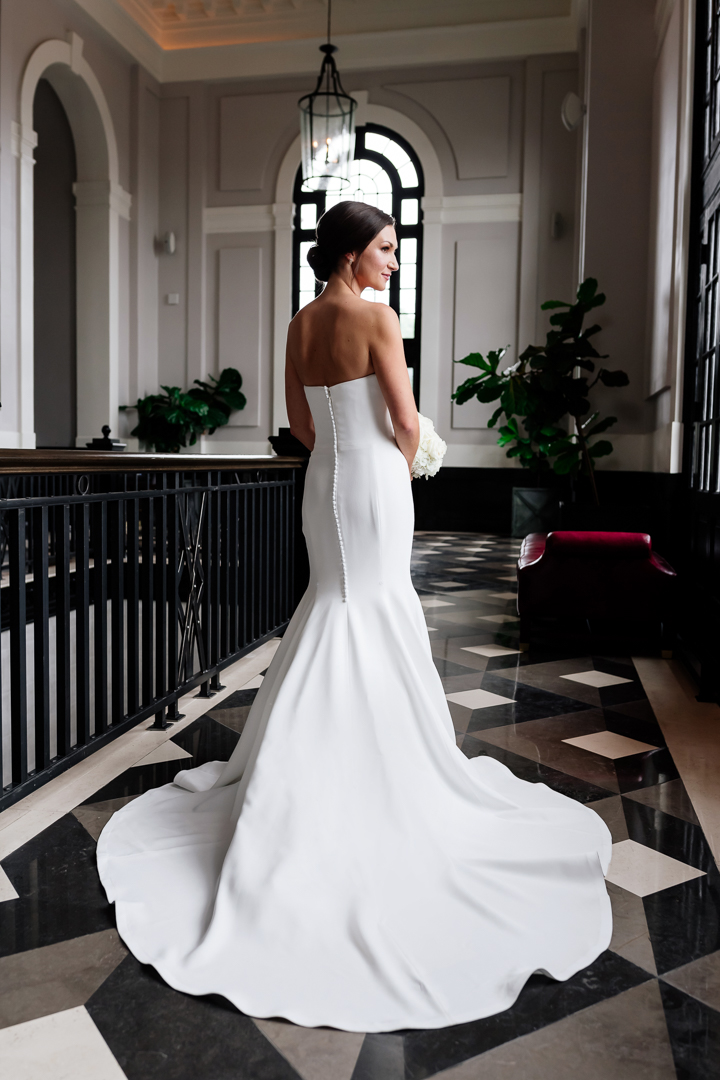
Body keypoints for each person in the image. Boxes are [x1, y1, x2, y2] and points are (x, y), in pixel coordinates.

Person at [97, 201, 612, 1033]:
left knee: (332, 605)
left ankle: (301, 773)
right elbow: (405, 421)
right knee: (373, 608)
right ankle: (371, 778)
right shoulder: (376, 319)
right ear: (349, 255)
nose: (394, 262)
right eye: (385, 248)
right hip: (373, 482)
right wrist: (413, 458)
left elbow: (301, 426)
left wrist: (349, 447)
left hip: (323, 485)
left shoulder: (302, 324)